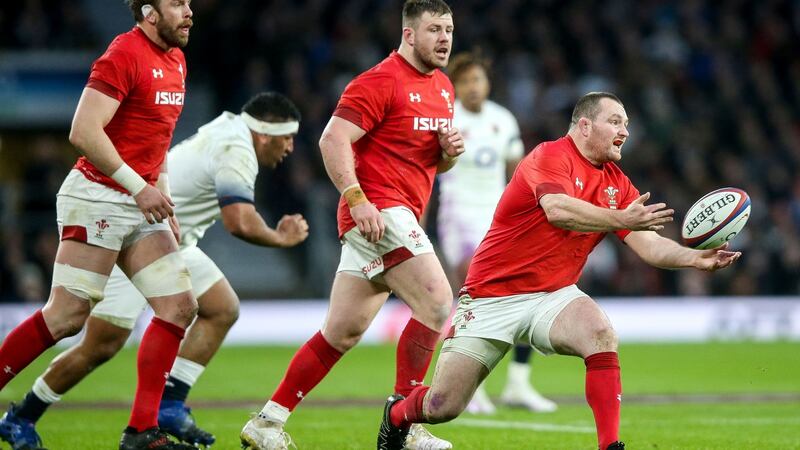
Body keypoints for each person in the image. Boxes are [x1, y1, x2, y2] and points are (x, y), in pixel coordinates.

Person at [377, 92, 742, 450]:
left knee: (599, 332)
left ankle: (610, 445)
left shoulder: (616, 182)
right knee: (443, 406)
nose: (625, 131)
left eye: (627, 124)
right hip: (491, 297)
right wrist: (620, 218)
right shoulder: (550, 156)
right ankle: (396, 416)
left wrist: (695, 258)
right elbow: (557, 209)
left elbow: (647, 244)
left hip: (553, 295)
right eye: (615, 121)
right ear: (584, 125)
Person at [0, 92, 308, 449]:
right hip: (138, 235)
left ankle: (169, 404)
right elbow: (239, 221)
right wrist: (281, 238)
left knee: (222, 307)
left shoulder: (229, 128)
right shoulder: (237, 149)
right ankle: (22, 416)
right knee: (100, 345)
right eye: (287, 138)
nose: (289, 148)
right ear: (266, 134)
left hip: (171, 240)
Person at [240, 1, 463, 450]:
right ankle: (403, 421)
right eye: (434, 29)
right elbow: (332, 138)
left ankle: (267, 422)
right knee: (438, 303)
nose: (444, 39)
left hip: (390, 220)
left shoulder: (442, 87)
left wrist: (448, 154)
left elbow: (427, 162)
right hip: (379, 211)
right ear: (409, 35)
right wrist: (357, 198)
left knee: (340, 333)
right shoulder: (379, 81)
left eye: (450, 30)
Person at [0, 1, 198, 449]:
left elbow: (157, 137)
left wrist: (163, 197)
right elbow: (84, 131)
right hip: (97, 197)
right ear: (149, 12)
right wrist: (138, 187)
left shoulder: (177, 60)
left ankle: (142, 433)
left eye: (189, 3)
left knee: (179, 306)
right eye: (177, 4)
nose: (188, 12)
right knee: (67, 317)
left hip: (140, 201)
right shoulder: (123, 54)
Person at [437, 51, 556, 415]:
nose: (474, 87)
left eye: (479, 80)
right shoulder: (446, 118)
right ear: (455, 86)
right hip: (458, 214)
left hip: (497, 216)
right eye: (466, 81)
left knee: (523, 290)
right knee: (480, 293)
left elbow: (517, 172)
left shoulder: (502, 120)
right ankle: (470, 387)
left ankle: (518, 383)